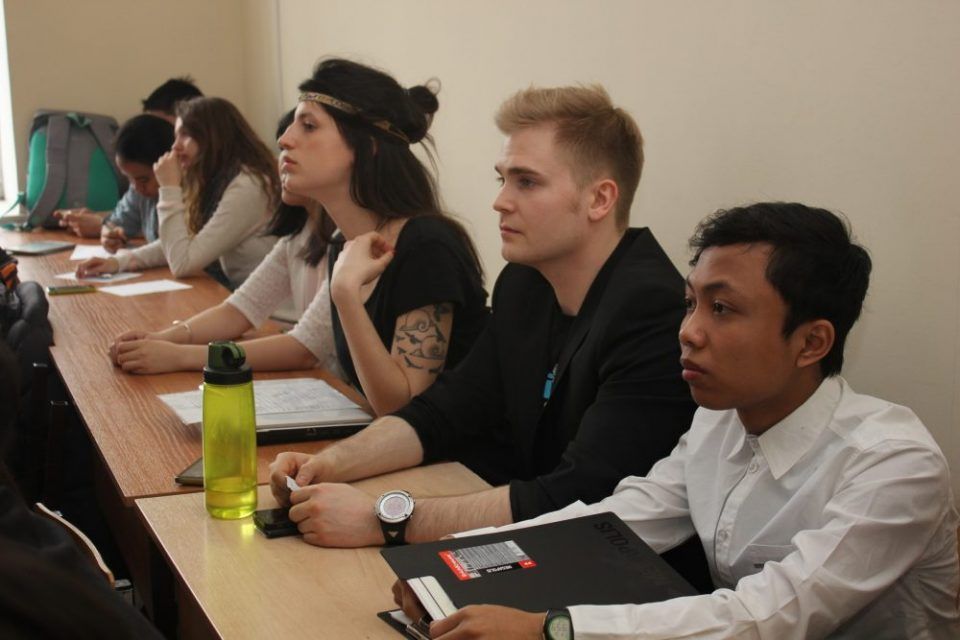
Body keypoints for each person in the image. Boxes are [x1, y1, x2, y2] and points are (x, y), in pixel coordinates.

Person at [399, 202, 960, 640]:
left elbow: (765, 618)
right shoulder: (721, 421)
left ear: (812, 342)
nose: (688, 331)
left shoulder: (893, 465)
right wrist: (447, 564)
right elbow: (610, 524)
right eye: (691, 303)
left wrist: (550, 629)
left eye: (722, 309)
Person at [268, 85, 695, 548]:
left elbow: (578, 497)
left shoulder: (651, 310)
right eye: (502, 180)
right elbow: (444, 411)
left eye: (526, 182)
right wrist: (328, 463)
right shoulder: (525, 283)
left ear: (599, 199)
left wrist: (383, 519)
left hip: (612, 562)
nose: (500, 201)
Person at [106, 60, 489, 418]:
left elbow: (402, 409)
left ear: (368, 145)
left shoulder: (425, 246)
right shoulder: (343, 242)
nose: (285, 139)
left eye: (308, 125)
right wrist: (170, 341)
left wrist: (345, 294)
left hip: (456, 459)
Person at [76, 96, 280, 288]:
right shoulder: (217, 180)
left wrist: (169, 188)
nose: (175, 146)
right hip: (242, 297)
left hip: (270, 309)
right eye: (176, 135)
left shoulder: (248, 186)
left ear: (213, 137)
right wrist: (117, 262)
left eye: (185, 135)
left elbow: (182, 263)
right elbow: (184, 243)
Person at [54, 77, 202, 240]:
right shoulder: (142, 182)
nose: (151, 134)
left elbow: (179, 240)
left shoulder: (201, 186)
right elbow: (125, 218)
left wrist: (100, 224)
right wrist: (108, 226)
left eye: (177, 132)